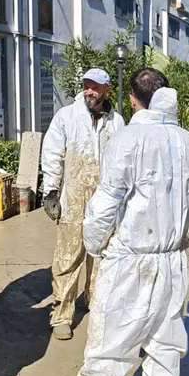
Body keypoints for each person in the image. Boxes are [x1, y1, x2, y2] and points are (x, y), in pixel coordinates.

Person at [76, 69, 189, 376]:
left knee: (109, 348)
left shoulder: (127, 139)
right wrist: (183, 242)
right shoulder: (188, 141)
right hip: (172, 260)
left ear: (133, 99)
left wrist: (95, 244)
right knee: (165, 344)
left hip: (129, 259)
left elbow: (106, 202)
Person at [41, 68, 125, 341]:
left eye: (95, 87)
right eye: (86, 86)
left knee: (101, 256)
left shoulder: (117, 122)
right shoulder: (67, 117)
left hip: (105, 201)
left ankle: (96, 304)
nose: (89, 91)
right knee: (68, 257)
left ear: (106, 90)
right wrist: (51, 191)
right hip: (74, 198)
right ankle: (61, 316)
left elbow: (123, 160)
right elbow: (53, 154)